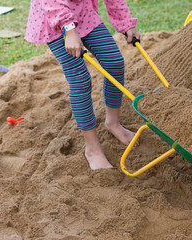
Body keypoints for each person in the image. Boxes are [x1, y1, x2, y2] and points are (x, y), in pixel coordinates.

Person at [25, 0, 141, 170]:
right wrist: (69, 29)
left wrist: (126, 24)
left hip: (83, 12)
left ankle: (113, 123)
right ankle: (92, 149)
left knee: (114, 62)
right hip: (54, 18)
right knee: (80, 79)